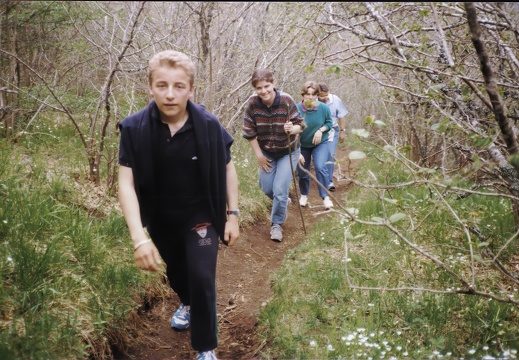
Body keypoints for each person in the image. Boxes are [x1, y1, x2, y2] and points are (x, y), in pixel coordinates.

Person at [117, 50, 239, 360]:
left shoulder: (209, 125)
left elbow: (228, 169)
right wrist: (139, 237)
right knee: (178, 275)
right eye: (162, 85)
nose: (170, 94)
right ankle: (186, 301)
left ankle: (205, 346)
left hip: (201, 215)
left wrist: (233, 214)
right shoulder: (134, 129)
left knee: (202, 275)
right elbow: (126, 184)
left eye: (179, 86)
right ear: (150, 87)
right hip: (161, 218)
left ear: (191, 89)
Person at [242, 69, 305, 242]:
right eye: (259, 88)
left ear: (273, 84)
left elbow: (301, 125)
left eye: (267, 86)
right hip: (267, 152)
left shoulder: (286, 100)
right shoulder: (253, 103)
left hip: (288, 151)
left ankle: (276, 225)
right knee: (267, 187)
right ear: (255, 88)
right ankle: (282, 202)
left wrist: (293, 129)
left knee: (279, 189)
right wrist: (259, 156)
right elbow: (249, 131)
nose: (263, 91)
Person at [296, 81, 334, 210]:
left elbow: (329, 123)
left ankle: (325, 197)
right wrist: (297, 149)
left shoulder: (323, 108)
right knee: (302, 170)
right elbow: (292, 131)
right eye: (307, 94)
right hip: (302, 144)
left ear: (318, 95)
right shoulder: (296, 109)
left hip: (320, 143)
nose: (310, 97)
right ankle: (304, 194)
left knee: (320, 166)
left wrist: (320, 130)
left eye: (313, 94)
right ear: (303, 95)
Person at [318, 83, 349, 192]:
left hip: (332, 130)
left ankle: (329, 180)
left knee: (330, 154)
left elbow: (341, 116)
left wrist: (342, 131)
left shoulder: (335, 99)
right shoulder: (313, 101)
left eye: (326, 95)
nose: (325, 98)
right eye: (322, 96)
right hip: (318, 131)